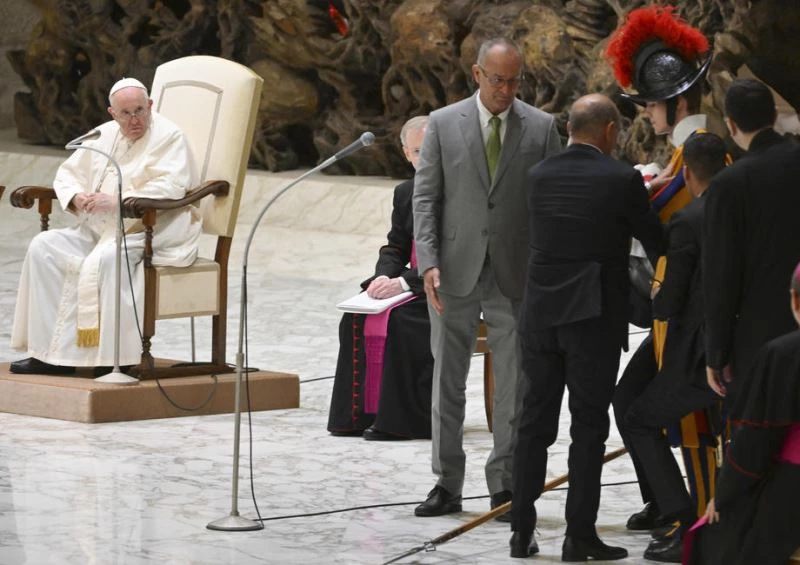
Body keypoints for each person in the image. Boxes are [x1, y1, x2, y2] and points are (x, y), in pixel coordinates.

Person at [412, 37, 562, 520]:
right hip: (452, 271)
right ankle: (446, 483)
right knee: (447, 381)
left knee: (514, 384)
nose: (505, 89)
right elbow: (425, 197)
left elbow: (551, 203)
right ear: (477, 74)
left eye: (514, 81)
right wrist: (428, 261)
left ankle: (505, 481)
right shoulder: (442, 123)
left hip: (514, 273)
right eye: (497, 79)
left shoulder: (541, 127)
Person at [510, 94, 664, 560]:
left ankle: (521, 531)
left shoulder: (538, 175)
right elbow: (655, 239)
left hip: (539, 313)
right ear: (611, 130)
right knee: (589, 426)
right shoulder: (621, 178)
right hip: (592, 317)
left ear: (569, 129)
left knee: (533, 423)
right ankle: (579, 536)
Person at [606, 5, 719, 532]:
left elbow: (663, 207)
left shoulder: (698, 151)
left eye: (651, 104)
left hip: (692, 318)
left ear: (677, 101)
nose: (647, 114)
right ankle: (665, 500)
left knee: (693, 427)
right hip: (671, 312)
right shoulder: (682, 150)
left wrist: (631, 192)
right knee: (628, 401)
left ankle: (693, 520)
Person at [10, 78, 200, 375]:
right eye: (126, 113)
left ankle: (114, 359)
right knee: (43, 247)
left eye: (140, 110)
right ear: (112, 113)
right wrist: (76, 196)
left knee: (110, 259)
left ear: (150, 106)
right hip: (99, 229)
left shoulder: (170, 137)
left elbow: (173, 187)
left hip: (147, 230)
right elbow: (68, 174)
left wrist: (116, 202)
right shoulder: (104, 134)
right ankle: (48, 356)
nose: (134, 120)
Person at [616, 132, 727, 563]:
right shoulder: (745, 211)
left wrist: (651, 295)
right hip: (746, 344)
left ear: (686, 174)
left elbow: (668, 302)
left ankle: (683, 521)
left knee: (639, 419)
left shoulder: (688, 219)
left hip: (700, 352)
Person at [684, 262, 800, 565]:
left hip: (793, 485)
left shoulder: (782, 354)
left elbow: (755, 440)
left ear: (794, 300)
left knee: (720, 537)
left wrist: (723, 494)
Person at [327, 116, 433, 440]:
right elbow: (395, 246)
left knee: (402, 321)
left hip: (447, 287)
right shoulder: (405, 192)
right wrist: (382, 277)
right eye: (418, 151)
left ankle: (402, 422)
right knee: (355, 317)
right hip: (413, 282)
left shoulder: (462, 192)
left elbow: (457, 255)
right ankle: (358, 417)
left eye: (432, 149)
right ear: (406, 154)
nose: (425, 157)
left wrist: (402, 283)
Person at [704, 78, 800, 411]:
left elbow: (720, 274)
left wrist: (716, 352)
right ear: (773, 114)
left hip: (759, 333)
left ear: (730, 124)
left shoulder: (728, 185)